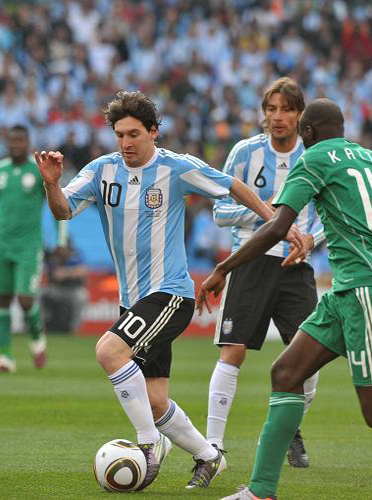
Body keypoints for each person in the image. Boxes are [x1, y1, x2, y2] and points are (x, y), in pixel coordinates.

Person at [197, 98, 372, 500]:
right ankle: (260, 492)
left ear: (307, 133)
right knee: (286, 374)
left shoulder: (312, 160)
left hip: (366, 288)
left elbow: (277, 228)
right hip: (349, 289)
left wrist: (223, 268)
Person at [35, 90, 301, 492]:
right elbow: (63, 210)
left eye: (134, 135)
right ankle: (210, 457)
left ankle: (146, 446)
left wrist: (277, 223)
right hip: (134, 300)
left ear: (153, 133)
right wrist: (52, 184)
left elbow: (232, 186)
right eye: (120, 135)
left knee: (109, 350)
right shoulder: (101, 171)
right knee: (156, 402)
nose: (125, 143)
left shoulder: (176, 168)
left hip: (171, 293)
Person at [206, 77, 324, 467]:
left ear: (300, 115)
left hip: (296, 266)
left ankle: (286, 431)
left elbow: (326, 216)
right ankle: (213, 448)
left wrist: (310, 240)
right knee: (233, 351)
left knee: (309, 360)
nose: (277, 117)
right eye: (271, 109)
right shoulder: (244, 153)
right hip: (250, 260)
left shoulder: (316, 155)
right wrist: (264, 209)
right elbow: (220, 212)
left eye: (286, 109)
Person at [0, 125, 67, 373]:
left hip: (29, 245)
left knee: (25, 299)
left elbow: (58, 203)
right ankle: (5, 357)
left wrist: (60, 242)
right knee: (1, 299)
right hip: (2, 244)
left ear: (27, 143)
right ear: (7, 142)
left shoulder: (37, 172)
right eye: (12, 141)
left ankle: (37, 337)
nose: (15, 145)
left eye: (20, 141)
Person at [41, 239, 88, 333]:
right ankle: (40, 326)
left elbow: (83, 271)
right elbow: (50, 272)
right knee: (40, 294)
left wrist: (66, 273)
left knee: (82, 295)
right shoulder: (52, 256)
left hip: (73, 289)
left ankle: (74, 329)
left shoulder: (75, 255)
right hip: (55, 289)